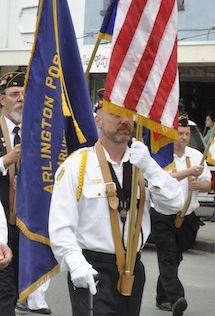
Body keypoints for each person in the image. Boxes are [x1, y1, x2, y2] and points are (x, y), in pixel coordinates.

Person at [49, 106, 185, 316]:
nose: (124, 120)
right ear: (98, 120)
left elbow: (175, 203)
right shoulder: (78, 165)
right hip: (92, 267)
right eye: (115, 114)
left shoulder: (142, 163)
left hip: (132, 268)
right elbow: (61, 225)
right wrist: (75, 263)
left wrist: (150, 166)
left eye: (129, 115)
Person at [0, 71, 52, 315]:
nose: (20, 98)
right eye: (13, 94)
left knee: (18, 283)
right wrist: (6, 160)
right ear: (2, 100)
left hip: (27, 222)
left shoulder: (39, 134)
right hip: (1, 221)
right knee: (5, 289)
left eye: (23, 94)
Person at [152, 113, 210, 313]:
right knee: (167, 257)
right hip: (163, 215)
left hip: (188, 216)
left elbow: (208, 183)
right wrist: (187, 173)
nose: (184, 137)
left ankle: (162, 297)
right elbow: (160, 180)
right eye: (180, 133)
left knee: (175, 257)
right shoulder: (160, 154)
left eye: (186, 133)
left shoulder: (196, 156)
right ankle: (177, 298)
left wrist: (200, 184)